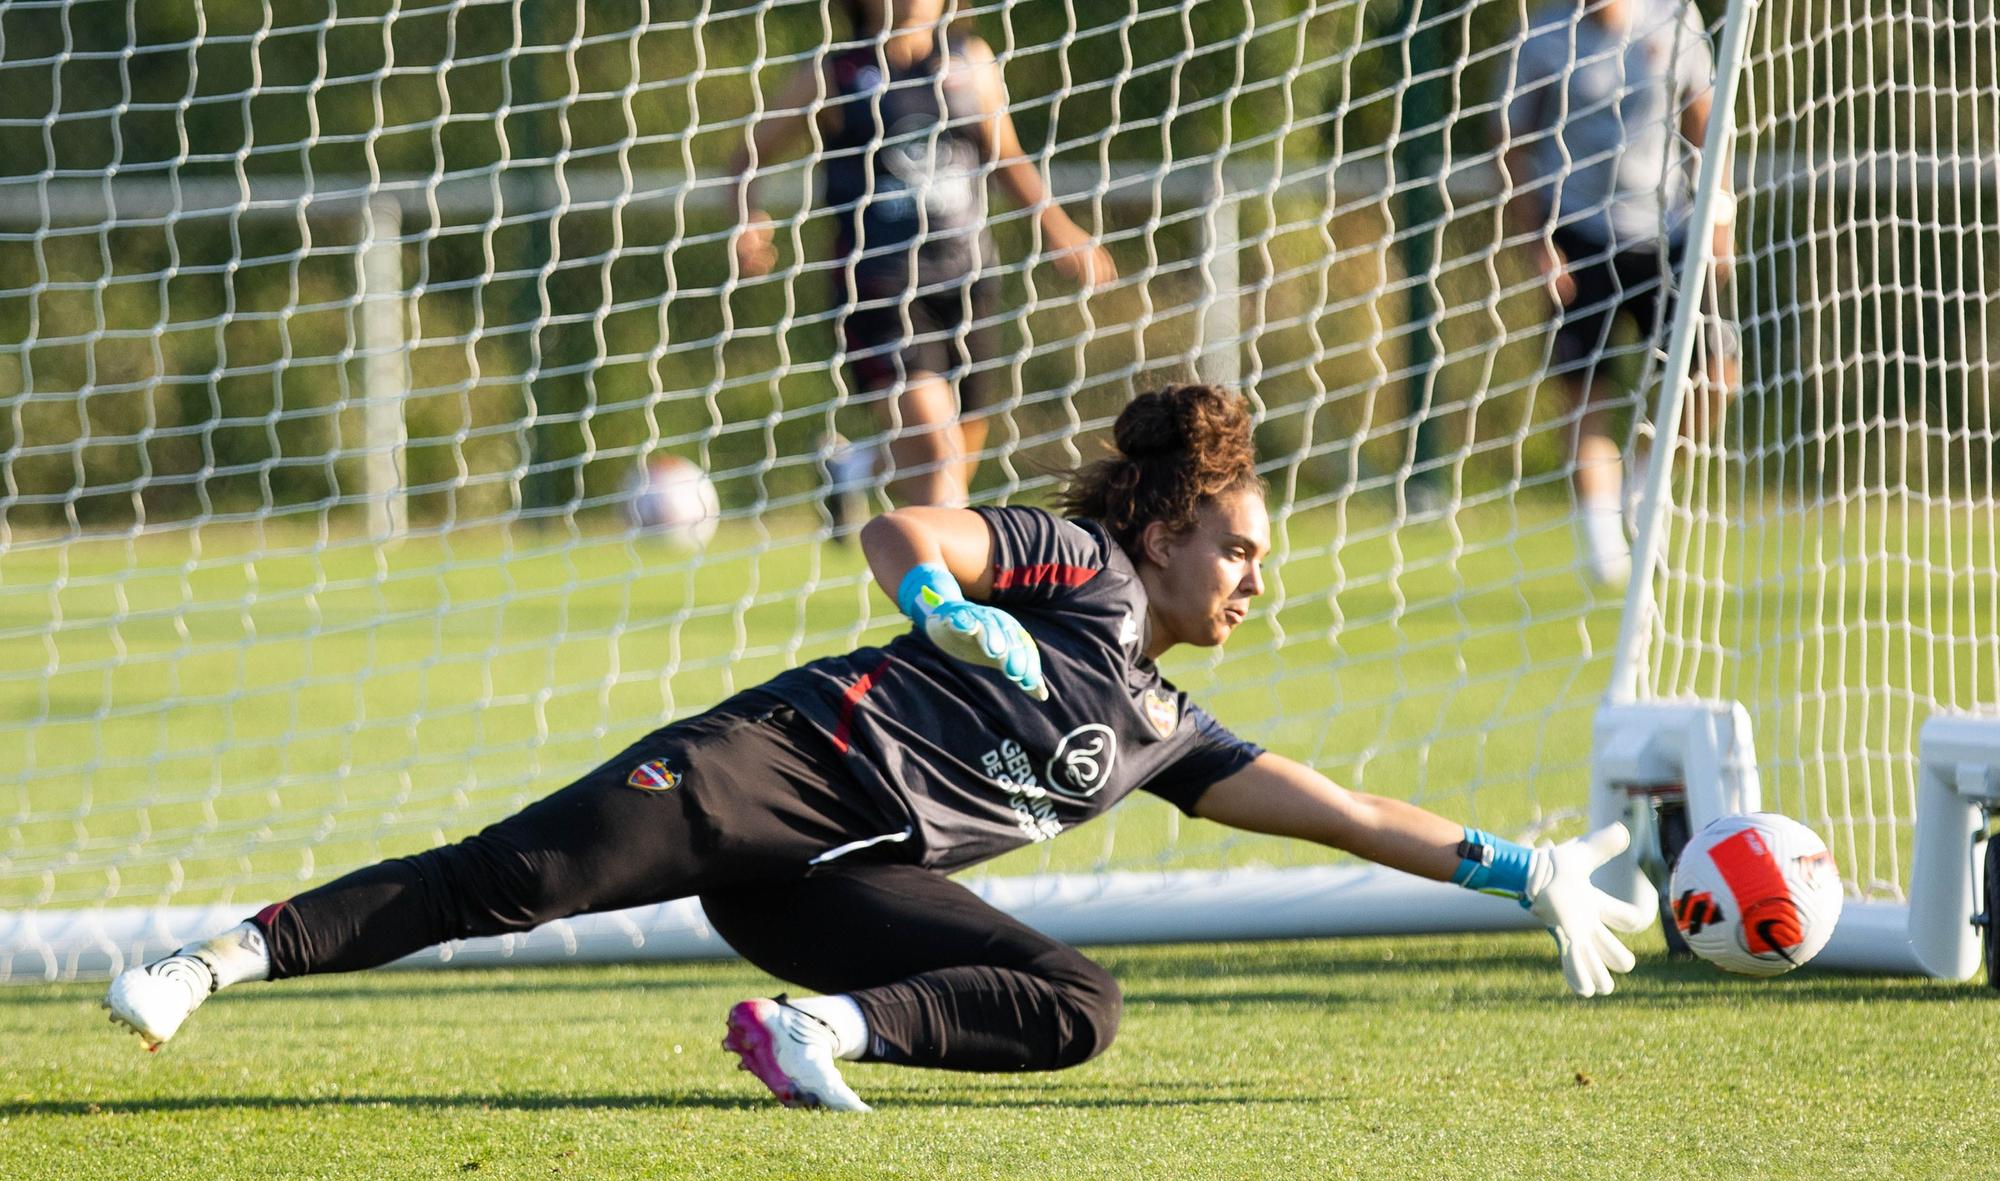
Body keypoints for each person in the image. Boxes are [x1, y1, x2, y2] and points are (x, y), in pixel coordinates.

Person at [104, 384, 1651, 1113]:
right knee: (514, 878)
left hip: (838, 887)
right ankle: (209, 960)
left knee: (1079, 1003)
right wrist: (940, 602)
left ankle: (818, 1034)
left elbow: (1346, 807)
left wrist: (1520, 871)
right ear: (1171, 533)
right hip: (768, 769)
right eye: (1241, 551)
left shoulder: (1165, 730)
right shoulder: (1078, 561)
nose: (1259, 581)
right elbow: (906, 520)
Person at [728, 0, 1116, 517]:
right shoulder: (835, 71)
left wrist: (1060, 230)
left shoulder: (969, 59)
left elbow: (1007, 157)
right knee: (938, 454)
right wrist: (747, 215)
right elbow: (749, 152)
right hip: (880, 284)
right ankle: (944, 593)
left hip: (969, 276)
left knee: (953, 465)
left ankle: (858, 468)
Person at [1494, 0, 1740, 586]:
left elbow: (1706, 121)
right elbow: (1511, 143)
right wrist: (1537, 243)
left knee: (1717, 372)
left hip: (1668, 234)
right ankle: (1601, 540)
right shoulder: (1542, 35)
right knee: (1584, 392)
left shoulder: (1674, 21)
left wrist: (1721, 220)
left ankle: (1641, 483)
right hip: (1578, 235)